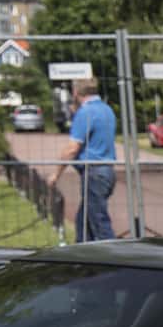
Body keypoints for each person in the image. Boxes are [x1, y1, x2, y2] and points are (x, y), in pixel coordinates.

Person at [49, 77, 117, 242]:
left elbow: (72, 149)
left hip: (93, 172)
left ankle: (113, 257)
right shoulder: (107, 110)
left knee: (99, 223)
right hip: (107, 171)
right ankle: (82, 254)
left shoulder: (85, 113)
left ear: (76, 93)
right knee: (84, 222)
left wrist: (56, 174)